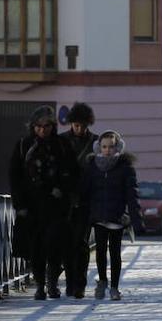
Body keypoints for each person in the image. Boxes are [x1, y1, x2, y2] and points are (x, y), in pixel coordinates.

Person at [8, 105, 76, 300]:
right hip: (31, 206)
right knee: (35, 247)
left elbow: (72, 172)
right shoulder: (23, 145)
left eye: (46, 126)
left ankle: (52, 283)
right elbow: (15, 176)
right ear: (33, 126)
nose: (42, 130)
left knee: (55, 245)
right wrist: (19, 204)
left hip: (56, 205)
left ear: (53, 126)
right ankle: (39, 285)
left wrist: (62, 190)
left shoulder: (62, 145)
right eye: (39, 126)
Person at [80, 130, 141, 301]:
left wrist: (135, 218)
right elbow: (86, 191)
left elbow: (132, 193)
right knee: (100, 251)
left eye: (111, 146)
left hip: (117, 216)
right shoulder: (92, 166)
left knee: (115, 253)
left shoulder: (125, 167)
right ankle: (102, 281)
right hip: (99, 217)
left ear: (118, 147)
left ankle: (114, 287)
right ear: (99, 147)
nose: (107, 150)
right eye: (104, 146)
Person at [60, 102, 97, 299]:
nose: (79, 129)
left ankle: (80, 285)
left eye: (82, 125)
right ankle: (70, 282)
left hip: (86, 199)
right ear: (71, 123)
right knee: (67, 243)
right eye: (76, 125)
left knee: (81, 243)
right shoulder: (61, 141)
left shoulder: (96, 142)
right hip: (64, 200)